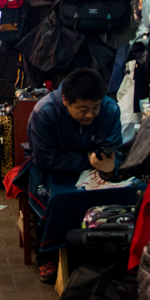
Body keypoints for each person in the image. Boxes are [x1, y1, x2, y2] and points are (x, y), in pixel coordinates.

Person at [26, 67, 122, 283]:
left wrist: (110, 167)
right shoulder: (45, 112)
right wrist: (86, 160)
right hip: (51, 170)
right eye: (83, 109)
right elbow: (44, 157)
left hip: (94, 169)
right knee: (53, 196)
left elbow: (113, 148)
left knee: (126, 193)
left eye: (95, 107)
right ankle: (45, 254)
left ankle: (105, 251)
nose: (90, 114)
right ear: (65, 100)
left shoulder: (109, 109)